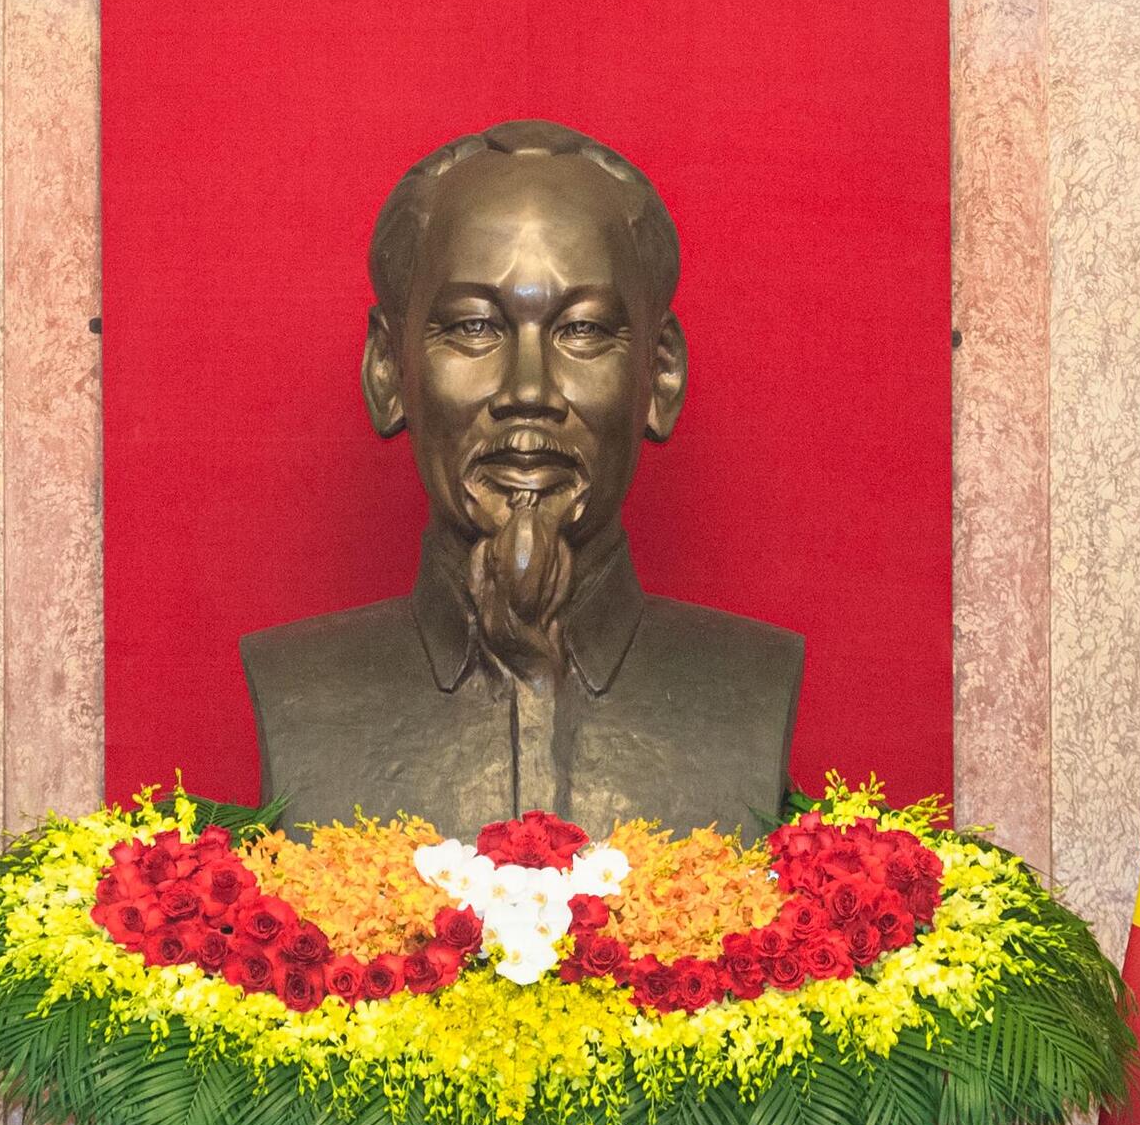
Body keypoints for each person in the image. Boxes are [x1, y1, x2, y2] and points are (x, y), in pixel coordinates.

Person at [241, 119, 802, 840]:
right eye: (474, 327)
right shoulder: (299, 688)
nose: (529, 390)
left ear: (660, 375)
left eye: (582, 329)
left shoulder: (753, 683)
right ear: (389, 371)